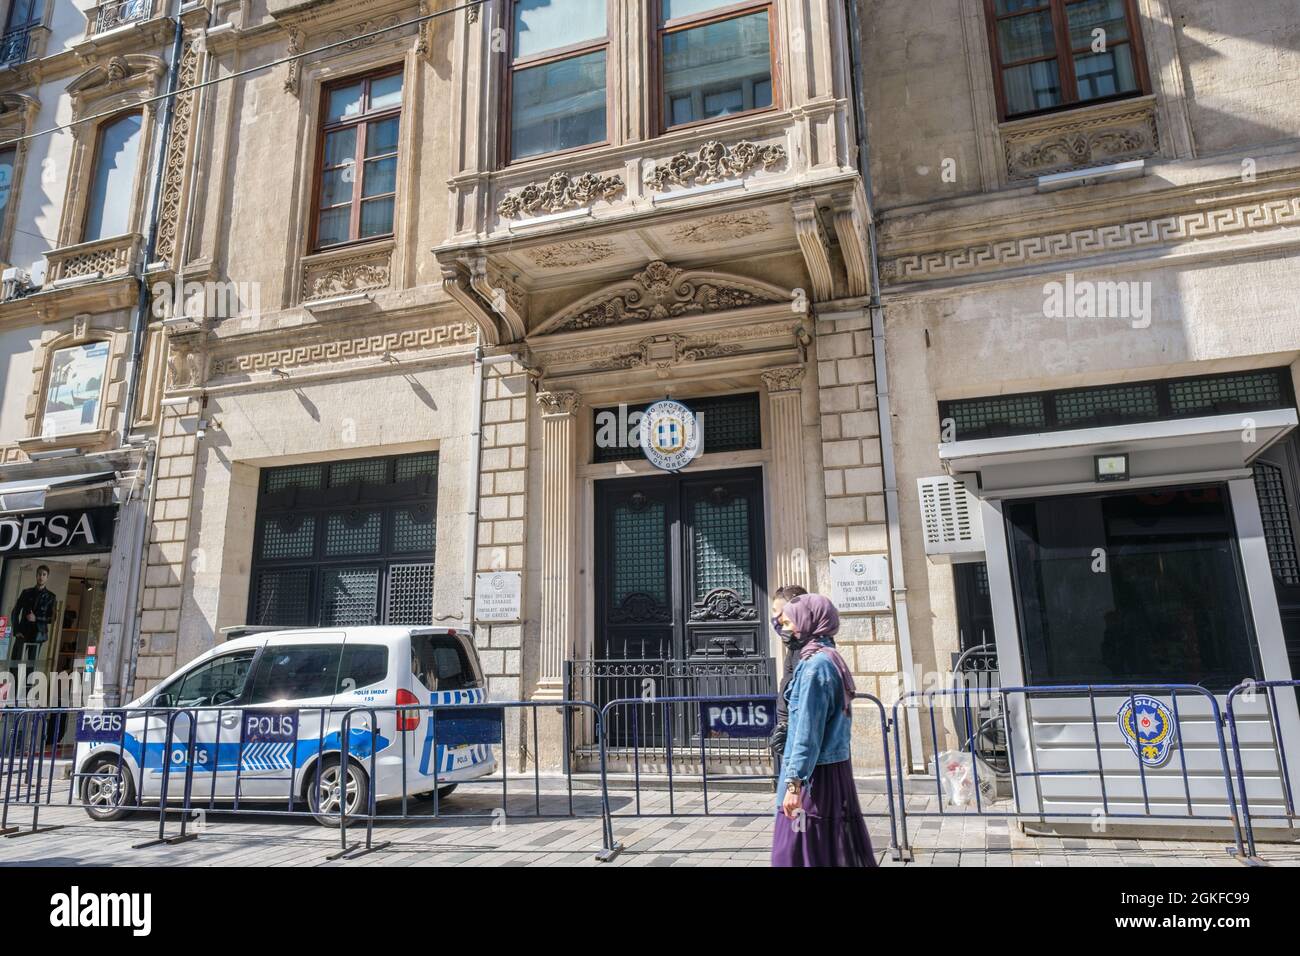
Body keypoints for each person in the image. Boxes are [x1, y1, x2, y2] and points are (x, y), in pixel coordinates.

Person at [771, 593, 876, 867]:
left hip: (814, 776)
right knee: (827, 848)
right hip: (831, 770)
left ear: (810, 621)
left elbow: (807, 731)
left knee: (796, 849)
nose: (786, 630)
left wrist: (794, 784)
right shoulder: (830, 658)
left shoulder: (813, 668)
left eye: (791, 623)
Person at [769, 584, 808, 782]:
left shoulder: (809, 654)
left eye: (780, 613)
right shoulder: (794, 649)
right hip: (791, 738)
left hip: (800, 753)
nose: (776, 620)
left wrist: (795, 780)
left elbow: (808, 715)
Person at [10, 565, 56, 665]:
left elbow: (52, 618)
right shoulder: (26, 592)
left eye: (44, 575)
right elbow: (15, 612)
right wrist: (16, 630)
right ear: (36, 575)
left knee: (31, 668)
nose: (41, 577)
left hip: (38, 635)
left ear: (47, 577)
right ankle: (13, 681)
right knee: (14, 663)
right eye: (39, 574)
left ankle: (29, 681)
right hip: (22, 633)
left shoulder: (51, 597)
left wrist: (36, 618)